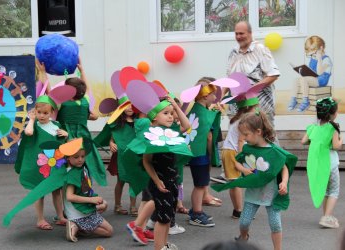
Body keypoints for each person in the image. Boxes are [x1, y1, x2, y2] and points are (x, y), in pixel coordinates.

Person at [212, 111, 297, 250]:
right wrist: (244, 170)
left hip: (271, 194)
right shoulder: (247, 148)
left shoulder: (273, 150)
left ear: (258, 131)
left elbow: (284, 167)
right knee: (244, 223)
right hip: (253, 194)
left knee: (275, 224)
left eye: (246, 134)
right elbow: (237, 163)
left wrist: (284, 182)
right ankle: (244, 237)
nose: (244, 138)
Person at [124, 80, 192, 250]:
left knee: (167, 215)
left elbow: (187, 125)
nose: (171, 117)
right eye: (166, 113)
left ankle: (164, 244)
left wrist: (176, 107)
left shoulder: (169, 132)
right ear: (154, 117)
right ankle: (159, 247)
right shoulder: (151, 135)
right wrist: (156, 181)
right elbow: (147, 161)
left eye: (172, 114)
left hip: (171, 179)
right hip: (160, 182)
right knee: (162, 218)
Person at [14, 68, 69, 230]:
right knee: (39, 192)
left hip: (54, 164)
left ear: (52, 112)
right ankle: (40, 219)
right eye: (39, 112)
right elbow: (28, 132)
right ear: (35, 112)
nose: (42, 115)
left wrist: (65, 134)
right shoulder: (35, 125)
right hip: (40, 165)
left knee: (57, 190)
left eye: (45, 112)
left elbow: (63, 144)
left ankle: (60, 216)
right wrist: (31, 120)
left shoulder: (56, 125)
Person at [56, 59, 107, 186]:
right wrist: (82, 70)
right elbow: (87, 88)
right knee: (84, 164)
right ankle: (85, 191)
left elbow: (50, 93)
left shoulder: (61, 102)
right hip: (83, 137)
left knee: (66, 165)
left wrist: (42, 73)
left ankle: (70, 193)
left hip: (65, 136)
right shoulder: (85, 101)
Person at [226, 21, 280, 126]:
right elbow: (230, 79)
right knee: (237, 139)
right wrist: (220, 97)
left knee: (265, 139)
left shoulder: (260, 49)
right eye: (236, 33)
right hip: (236, 109)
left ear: (250, 33)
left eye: (241, 33)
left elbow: (273, 75)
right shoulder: (233, 52)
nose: (238, 36)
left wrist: (250, 91)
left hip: (259, 108)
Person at [183, 78, 221, 227]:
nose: (215, 98)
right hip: (199, 155)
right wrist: (215, 113)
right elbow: (206, 127)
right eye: (213, 95)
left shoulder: (199, 110)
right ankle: (196, 215)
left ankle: (196, 211)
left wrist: (214, 112)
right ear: (205, 96)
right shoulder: (200, 112)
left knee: (201, 184)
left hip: (200, 154)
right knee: (200, 185)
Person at [301, 97, 342, 228]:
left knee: (325, 191)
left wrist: (314, 141)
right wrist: (341, 141)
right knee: (334, 191)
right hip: (330, 164)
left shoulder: (313, 128)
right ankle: (326, 217)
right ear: (333, 114)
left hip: (318, 165)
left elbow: (303, 141)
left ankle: (326, 215)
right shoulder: (333, 128)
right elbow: (336, 146)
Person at [94, 104, 138, 216]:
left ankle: (133, 206)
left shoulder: (138, 121)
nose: (130, 108)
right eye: (127, 106)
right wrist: (111, 143)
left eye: (132, 106)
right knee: (121, 181)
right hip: (120, 156)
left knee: (134, 181)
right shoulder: (118, 122)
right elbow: (113, 137)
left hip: (134, 155)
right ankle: (117, 206)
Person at [64, 145, 113, 242]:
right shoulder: (72, 173)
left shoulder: (81, 168)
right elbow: (69, 196)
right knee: (109, 231)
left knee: (104, 204)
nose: (80, 159)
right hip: (79, 212)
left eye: (82, 156)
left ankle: (78, 227)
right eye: (76, 157)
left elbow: (84, 189)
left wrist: (94, 198)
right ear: (68, 157)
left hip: (83, 208)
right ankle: (77, 225)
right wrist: (91, 200)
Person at [288, 36, 333, 112]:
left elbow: (319, 72)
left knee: (304, 79)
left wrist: (319, 59)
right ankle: (294, 99)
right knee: (296, 80)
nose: (312, 56)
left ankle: (306, 101)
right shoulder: (313, 58)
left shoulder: (326, 60)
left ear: (321, 48)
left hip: (321, 80)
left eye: (313, 54)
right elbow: (311, 71)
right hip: (313, 78)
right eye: (310, 55)